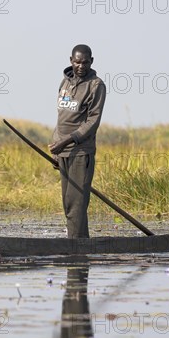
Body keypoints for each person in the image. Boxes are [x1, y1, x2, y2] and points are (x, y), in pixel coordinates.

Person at [49, 44, 106, 238]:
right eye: (77, 62)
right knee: (69, 203)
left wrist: (67, 141)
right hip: (63, 152)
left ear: (92, 61)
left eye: (85, 62)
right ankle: (80, 246)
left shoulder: (96, 85)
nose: (81, 66)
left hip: (81, 152)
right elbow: (61, 117)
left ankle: (75, 248)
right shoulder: (64, 83)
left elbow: (93, 121)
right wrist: (57, 147)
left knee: (76, 204)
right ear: (71, 61)